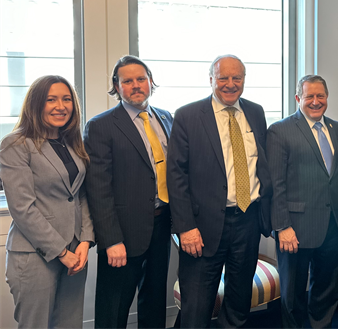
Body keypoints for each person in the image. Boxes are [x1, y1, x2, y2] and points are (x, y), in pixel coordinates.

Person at [167, 54, 272, 329]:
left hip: (248, 220)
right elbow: (175, 176)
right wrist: (185, 227)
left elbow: (261, 164)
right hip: (203, 228)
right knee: (197, 307)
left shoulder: (256, 112)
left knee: (239, 302)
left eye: (236, 78)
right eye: (223, 77)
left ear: (244, 80)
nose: (230, 84)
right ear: (211, 79)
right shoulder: (188, 115)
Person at [84, 55, 173, 329]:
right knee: (114, 308)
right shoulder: (101, 126)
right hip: (122, 233)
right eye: (128, 81)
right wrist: (111, 241)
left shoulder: (166, 118)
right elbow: (98, 190)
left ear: (150, 82)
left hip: (161, 224)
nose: (136, 85)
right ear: (117, 86)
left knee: (155, 300)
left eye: (141, 79)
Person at [0, 75, 93, 328]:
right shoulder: (15, 145)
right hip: (35, 255)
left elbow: (80, 194)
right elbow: (22, 208)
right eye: (51, 99)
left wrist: (85, 240)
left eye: (66, 99)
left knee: (70, 324)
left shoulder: (72, 143)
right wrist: (62, 253)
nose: (60, 106)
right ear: (36, 103)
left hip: (76, 253)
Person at [267, 75, 338, 329]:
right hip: (295, 229)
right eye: (309, 96)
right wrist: (282, 227)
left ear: (327, 97)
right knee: (293, 295)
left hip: (332, 226)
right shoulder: (280, 130)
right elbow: (275, 184)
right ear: (298, 98)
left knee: (326, 290)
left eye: (320, 96)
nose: (315, 101)